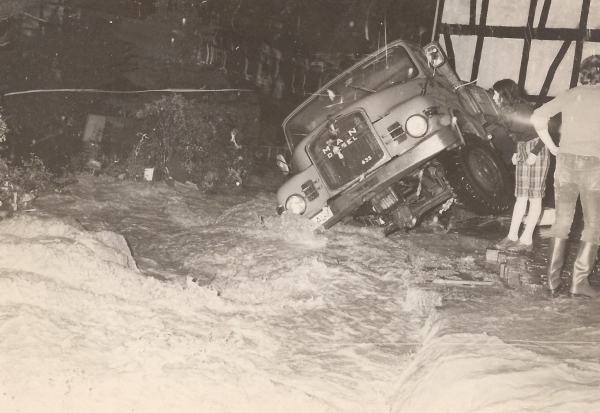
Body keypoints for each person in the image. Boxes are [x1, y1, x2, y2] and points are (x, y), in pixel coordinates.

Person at [531, 54, 600, 298]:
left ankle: (552, 281)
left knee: (562, 221)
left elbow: (537, 117)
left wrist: (552, 146)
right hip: (594, 166)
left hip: (565, 163)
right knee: (593, 224)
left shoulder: (570, 94)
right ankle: (579, 282)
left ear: (583, 74)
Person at [492, 79, 552, 253]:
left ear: (505, 94)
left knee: (535, 197)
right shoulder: (507, 111)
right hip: (524, 148)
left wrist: (534, 153)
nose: (494, 97)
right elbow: (521, 133)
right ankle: (512, 236)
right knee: (521, 196)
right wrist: (517, 151)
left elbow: (543, 132)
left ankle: (526, 239)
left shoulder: (524, 109)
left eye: (496, 93)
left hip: (538, 148)